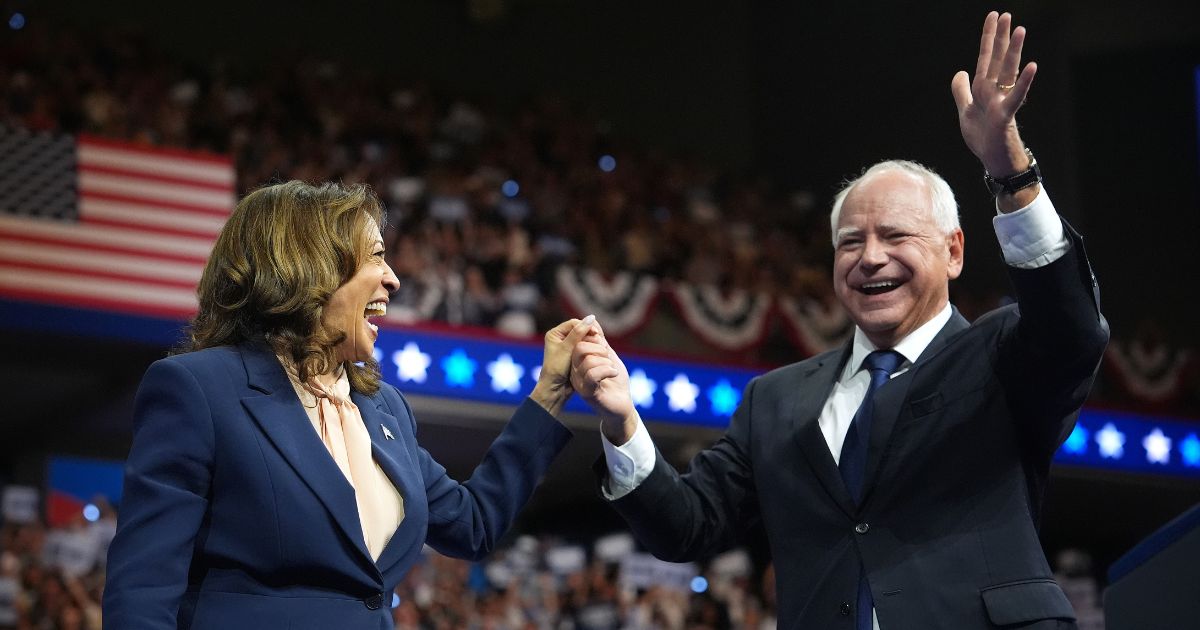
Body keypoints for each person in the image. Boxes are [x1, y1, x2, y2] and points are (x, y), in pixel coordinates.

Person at [571, 12, 1108, 630]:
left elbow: (1073, 328)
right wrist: (620, 423)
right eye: (851, 241)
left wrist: (1009, 168)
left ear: (954, 251)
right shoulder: (773, 401)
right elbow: (686, 527)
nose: (870, 256)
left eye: (896, 235)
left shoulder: (1002, 356)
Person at [102, 180, 592, 629]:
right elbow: (143, 591)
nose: (393, 280)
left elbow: (473, 524)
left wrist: (550, 390)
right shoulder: (200, 389)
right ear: (308, 264)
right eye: (375, 258)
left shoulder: (384, 409)